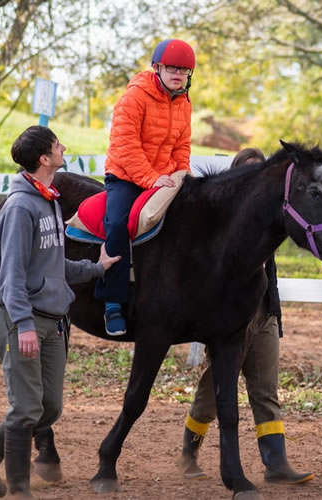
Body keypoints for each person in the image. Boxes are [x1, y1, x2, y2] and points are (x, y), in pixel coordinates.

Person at [0, 125, 119, 500]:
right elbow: (13, 276)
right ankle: (19, 488)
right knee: (25, 408)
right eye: (57, 145)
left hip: (52, 320)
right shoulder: (21, 208)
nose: (63, 148)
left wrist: (98, 268)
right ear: (44, 158)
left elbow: (54, 263)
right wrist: (22, 325)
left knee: (49, 406)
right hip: (22, 319)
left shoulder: (49, 200)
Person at [176, 148, 313, 485]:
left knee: (266, 390)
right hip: (226, 321)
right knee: (211, 396)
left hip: (264, 313)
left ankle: (276, 464)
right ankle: (188, 451)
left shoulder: (270, 221)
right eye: (249, 173)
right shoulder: (221, 226)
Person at [95, 38, 195, 336]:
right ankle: (112, 302)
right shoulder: (133, 98)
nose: (178, 74)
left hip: (163, 176)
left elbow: (182, 146)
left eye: (185, 70)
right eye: (172, 68)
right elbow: (125, 146)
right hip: (125, 175)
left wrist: (181, 175)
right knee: (117, 224)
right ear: (157, 68)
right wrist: (150, 178)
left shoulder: (184, 103)